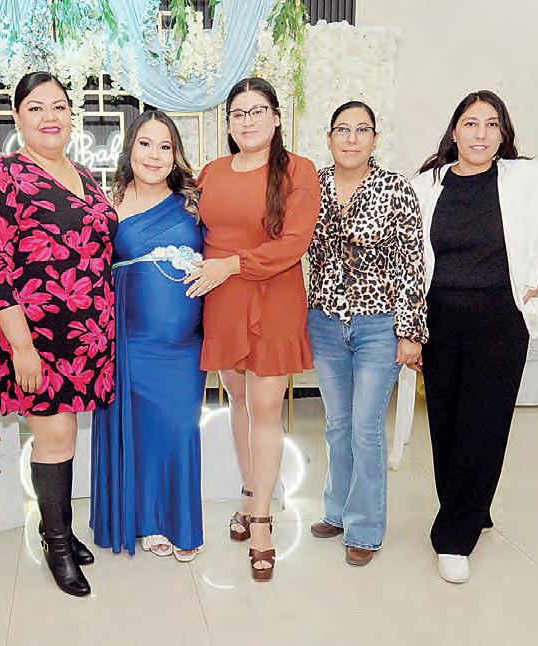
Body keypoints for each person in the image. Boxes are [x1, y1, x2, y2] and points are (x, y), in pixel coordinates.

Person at [411, 90, 538, 583]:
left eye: (491, 124)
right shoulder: (426, 185)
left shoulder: (529, 179)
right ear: (454, 131)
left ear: (503, 134)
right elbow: (408, 257)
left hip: (500, 321)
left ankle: (454, 536)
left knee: (483, 424)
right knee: (446, 424)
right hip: (440, 320)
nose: (480, 134)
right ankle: (471, 508)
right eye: (471, 123)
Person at [0, 72, 117, 598]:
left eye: (59, 106)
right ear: (17, 117)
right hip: (33, 335)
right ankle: (56, 545)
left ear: (72, 116)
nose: (49, 117)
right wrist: (22, 347)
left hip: (87, 334)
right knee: (53, 438)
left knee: (65, 435)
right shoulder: (0, 175)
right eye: (36, 108)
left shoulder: (85, 175)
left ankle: (61, 529)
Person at [187, 77, 320, 582]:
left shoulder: (298, 170)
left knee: (265, 408)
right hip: (223, 301)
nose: (248, 121)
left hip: (274, 297)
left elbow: (293, 244)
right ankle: (249, 493)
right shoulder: (212, 173)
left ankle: (262, 520)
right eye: (238, 113)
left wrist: (231, 265)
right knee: (239, 402)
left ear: (276, 117)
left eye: (257, 110)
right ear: (228, 123)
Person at [306, 101, 426, 566]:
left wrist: (410, 331)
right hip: (325, 322)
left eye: (362, 130)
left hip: (379, 326)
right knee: (337, 425)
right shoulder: (311, 186)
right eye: (343, 129)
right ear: (329, 138)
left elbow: (412, 263)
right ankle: (336, 511)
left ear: (376, 138)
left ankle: (365, 528)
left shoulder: (396, 189)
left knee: (365, 427)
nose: (352, 138)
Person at [90, 110, 206, 561]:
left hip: (184, 343)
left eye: (165, 146)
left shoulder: (195, 202)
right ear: (130, 149)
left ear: (176, 155)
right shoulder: (108, 205)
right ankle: (150, 520)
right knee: (139, 430)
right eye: (145, 144)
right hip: (130, 340)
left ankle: (180, 521)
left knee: (180, 427)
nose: (154, 155)